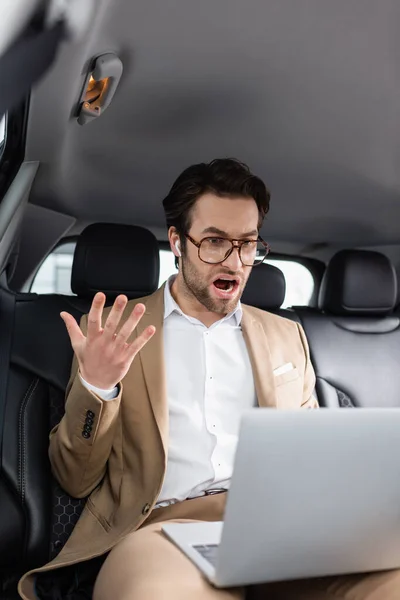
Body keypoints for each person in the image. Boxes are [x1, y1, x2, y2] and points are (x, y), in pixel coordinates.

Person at [18, 159, 400, 599]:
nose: (234, 263)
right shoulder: (113, 331)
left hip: (280, 530)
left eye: (247, 244)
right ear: (178, 242)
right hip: (164, 531)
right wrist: (99, 386)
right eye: (215, 242)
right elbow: (75, 478)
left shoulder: (286, 334)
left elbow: (311, 454)